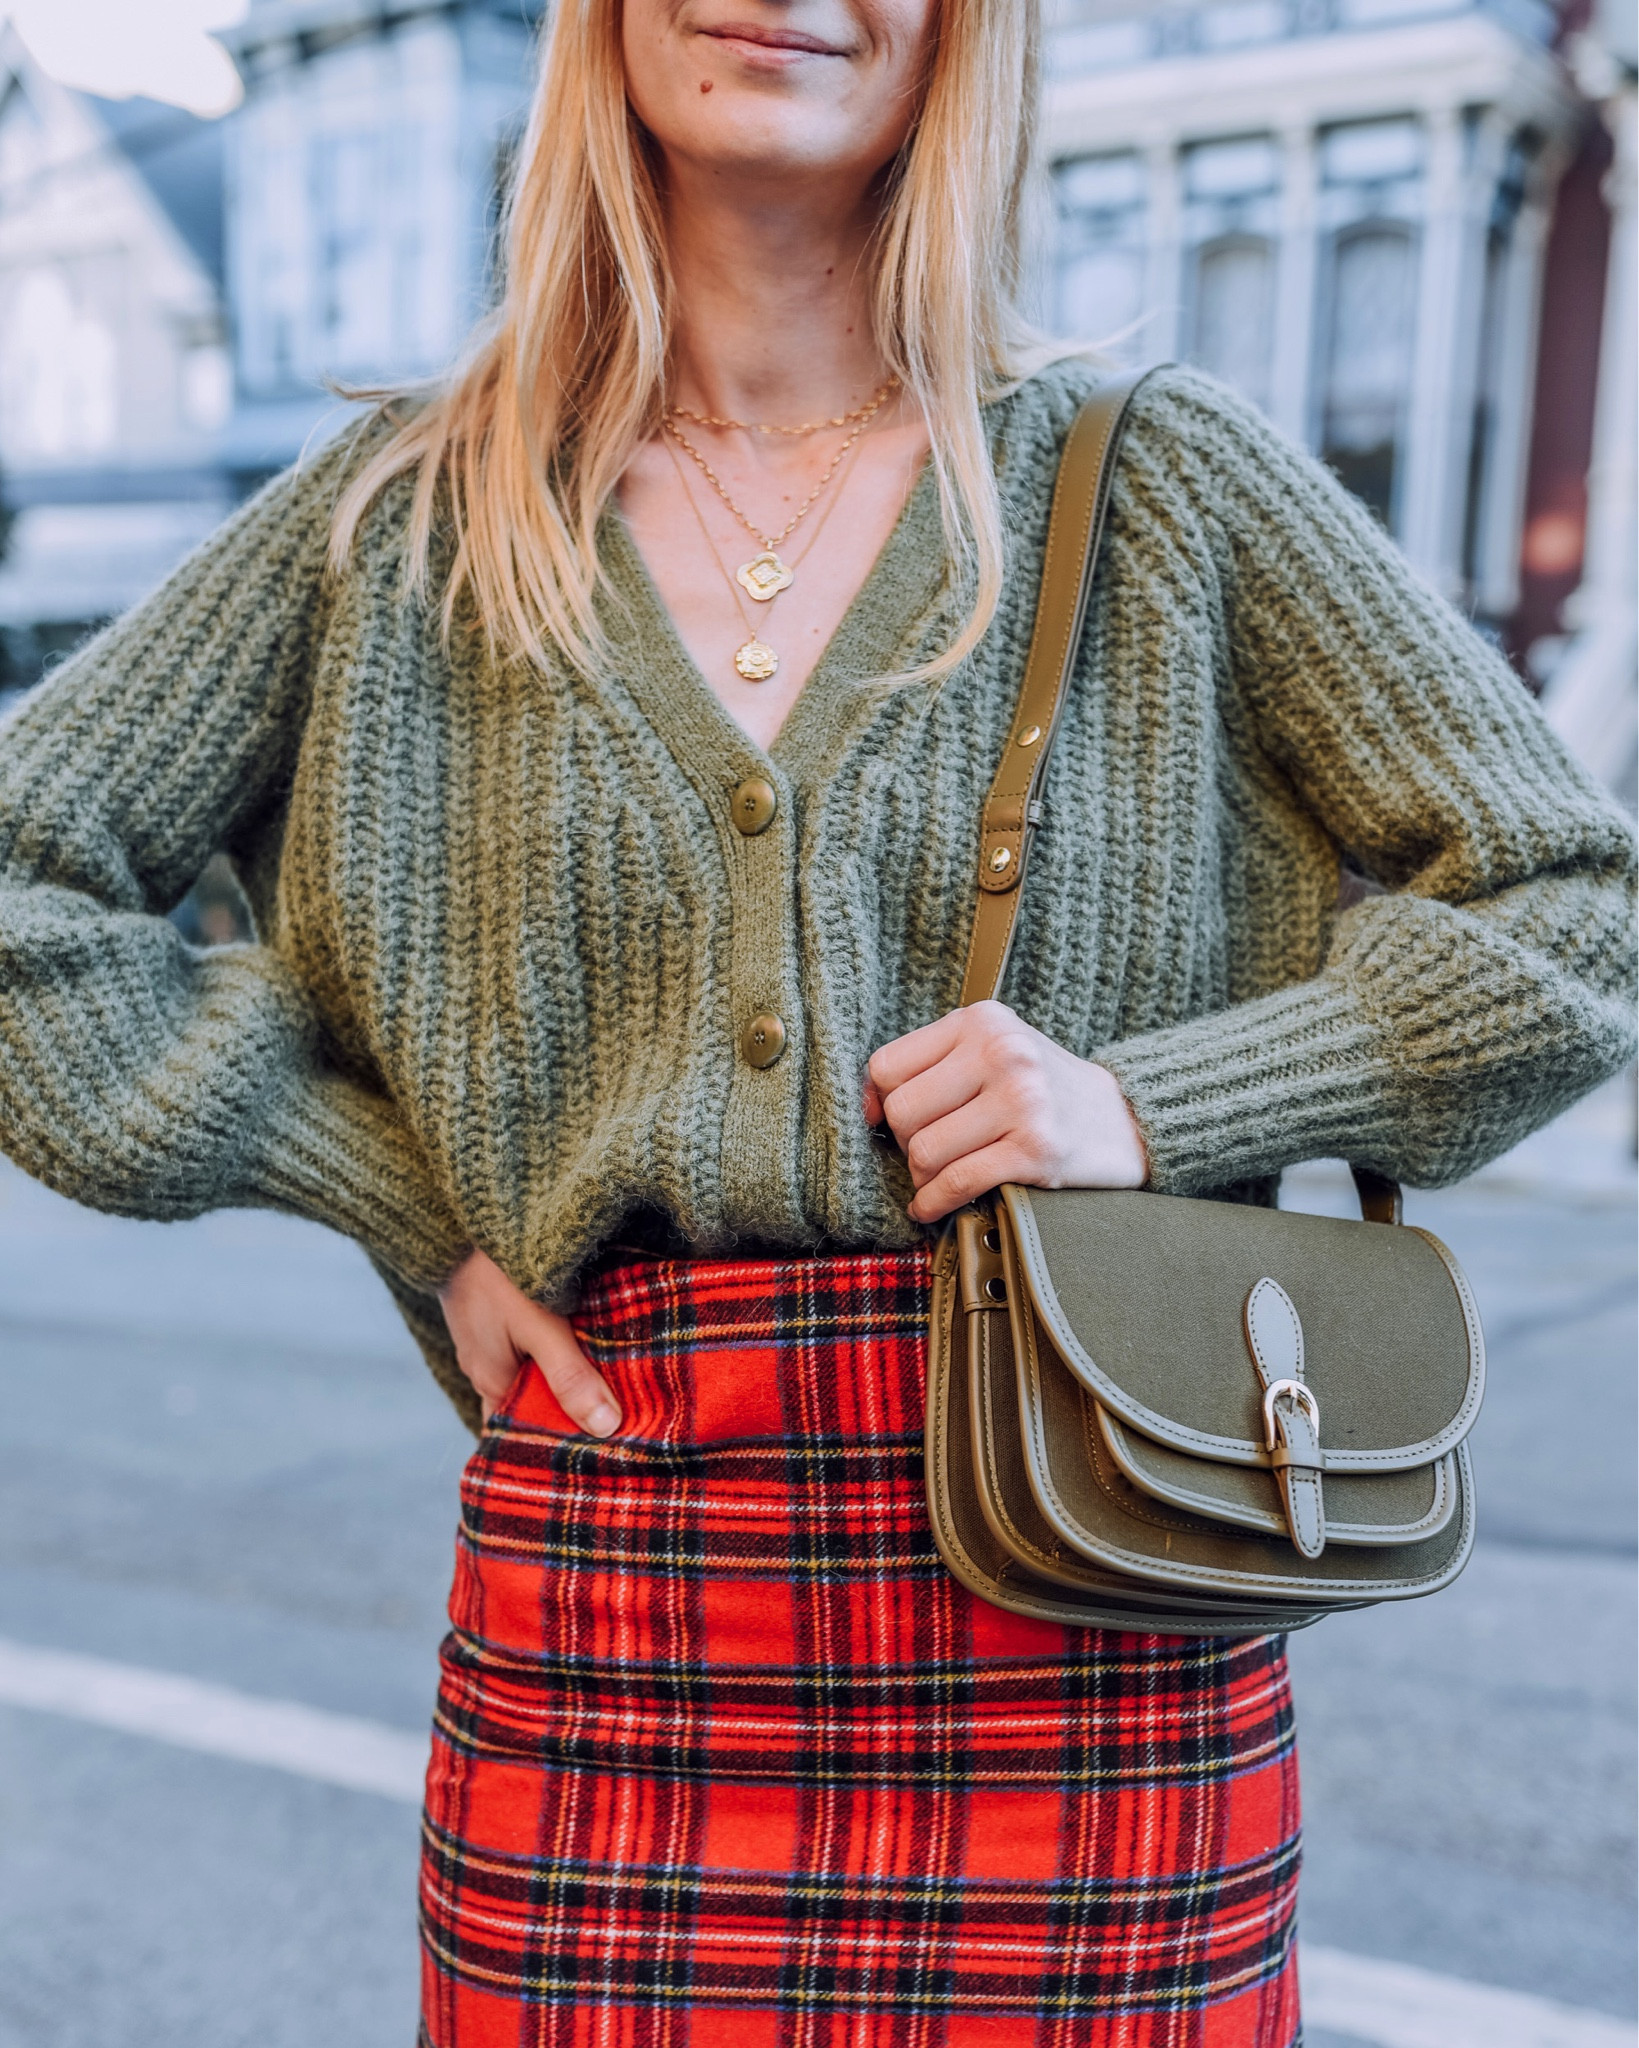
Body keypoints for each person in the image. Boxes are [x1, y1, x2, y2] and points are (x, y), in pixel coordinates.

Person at [0, 0, 1632, 2035]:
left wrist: (1146, 1100)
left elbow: (1575, 910)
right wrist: (393, 1197)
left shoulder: (1162, 485)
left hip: (1088, 1576)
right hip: (611, 1604)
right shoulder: (406, 516)